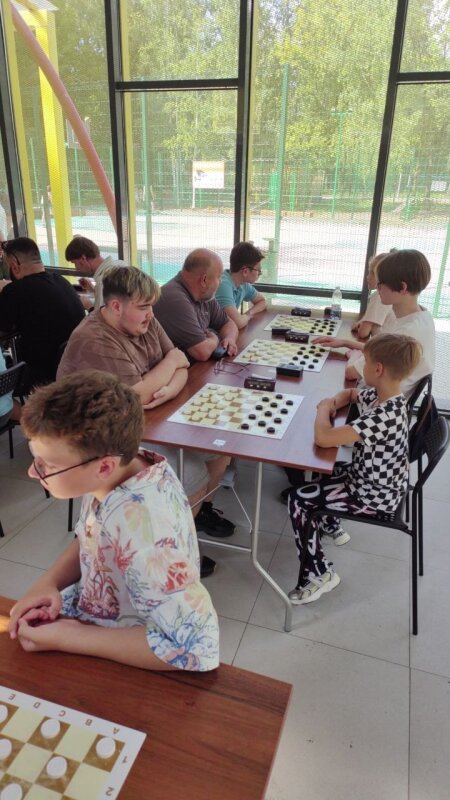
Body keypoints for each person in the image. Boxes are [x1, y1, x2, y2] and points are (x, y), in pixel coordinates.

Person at [7, 370, 219, 671]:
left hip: (127, 650)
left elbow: (195, 649)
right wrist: (48, 582)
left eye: (48, 465)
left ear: (104, 467)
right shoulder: (121, 467)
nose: (32, 472)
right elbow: (91, 535)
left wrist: (69, 636)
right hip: (97, 613)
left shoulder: (148, 537)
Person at [57, 266, 236, 559]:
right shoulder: (94, 338)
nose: (151, 314)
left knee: (219, 449)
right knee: (193, 474)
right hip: (101, 438)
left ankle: (193, 517)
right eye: (143, 307)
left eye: (150, 306)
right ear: (116, 306)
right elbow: (138, 394)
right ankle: (173, 554)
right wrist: (169, 368)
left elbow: (181, 363)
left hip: (148, 417)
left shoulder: (144, 321)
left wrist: (170, 386)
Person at [288, 333, 421, 605]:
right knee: (327, 469)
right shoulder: (386, 397)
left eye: (365, 361)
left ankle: (320, 573)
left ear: (378, 369)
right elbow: (350, 394)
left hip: (374, 497)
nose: (362, 366)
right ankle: (331, 524)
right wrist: (334, 403)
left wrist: (323, 409)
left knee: (298, 500)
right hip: (369, 480)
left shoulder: (384, 415)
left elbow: (323, 437)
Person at [314, 249, 435, 398]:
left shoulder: (405, 333)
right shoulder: (423, 317)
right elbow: (384, 351)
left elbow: (351, 373)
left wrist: (353, 356)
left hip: (375, 404)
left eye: (381, 283)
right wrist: (345, 342)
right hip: (393, 400)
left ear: (402, 287)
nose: (378, 288)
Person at [0, 238, 85, 388]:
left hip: (42, 376)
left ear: (14, 267)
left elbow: (3, 328)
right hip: (74, 368)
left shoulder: (15, 291)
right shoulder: (61, 281)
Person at [153, 248, 239, 361]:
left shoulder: (205, 296)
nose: (220, 282)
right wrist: (215, 339)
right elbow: (202, 352)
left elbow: (229, 323)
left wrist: (229, 339)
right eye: (219, 278)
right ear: (204, 280)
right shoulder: (175, 299)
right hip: (177, 369)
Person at [65, 235, 127, 310]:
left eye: (75, 263)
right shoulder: (121, 264)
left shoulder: (103, 282)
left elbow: (101, 317)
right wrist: (93, 290)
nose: (76, 268)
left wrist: (88, 305)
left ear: (83, 258)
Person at [215, 241, 267, 329]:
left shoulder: (243, 284)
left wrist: (248, 314)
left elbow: (262, 302)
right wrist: (245, 317)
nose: (259, 274)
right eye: (258, 271)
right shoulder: (223, 285)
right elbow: (238, 323)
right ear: (245, 271)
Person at [351, 253, 392, 340]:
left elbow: (363, 333)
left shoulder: (379, 296)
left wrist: (356, 326)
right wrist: (361, 322)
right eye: (369, 272)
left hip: (382, 345)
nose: (368, 277)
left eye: (372, 273)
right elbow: (367, 320)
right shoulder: (389, 295)